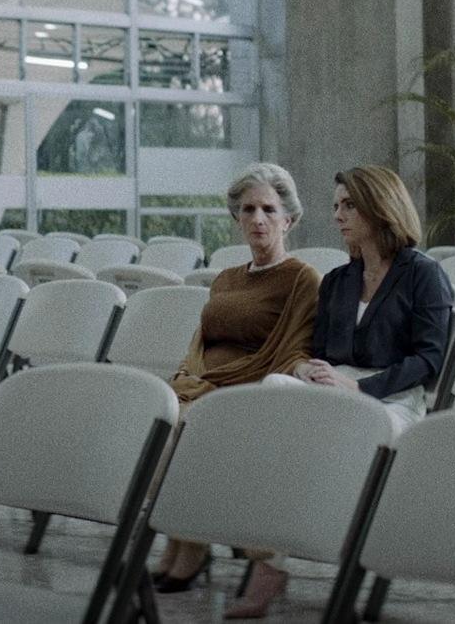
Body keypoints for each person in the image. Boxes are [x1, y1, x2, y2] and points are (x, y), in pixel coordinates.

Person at [152, 162, 320, 618]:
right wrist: (189, 380)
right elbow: (200, 343)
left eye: (268, 209)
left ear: (289, 219)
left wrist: (221, 386)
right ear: (237, 218)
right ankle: (181, 540)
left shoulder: (301, 278)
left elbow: (293, 348)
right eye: (248, 210)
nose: (257, 219)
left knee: (186, 428)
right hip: (203, 383)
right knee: (159, 419)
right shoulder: (226, 278)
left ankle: (190, 547)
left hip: (248, 388)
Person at [298, 165, 453, 427]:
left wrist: (359, 388)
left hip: (394, 397)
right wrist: (314, 373)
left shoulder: (424, 274)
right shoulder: (336, 280)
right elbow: (321, 352)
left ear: (380, 207)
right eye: (336, 206)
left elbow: (428, 359)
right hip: (336, 386)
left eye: (349, 205)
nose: (338, 216)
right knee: (275, 386)